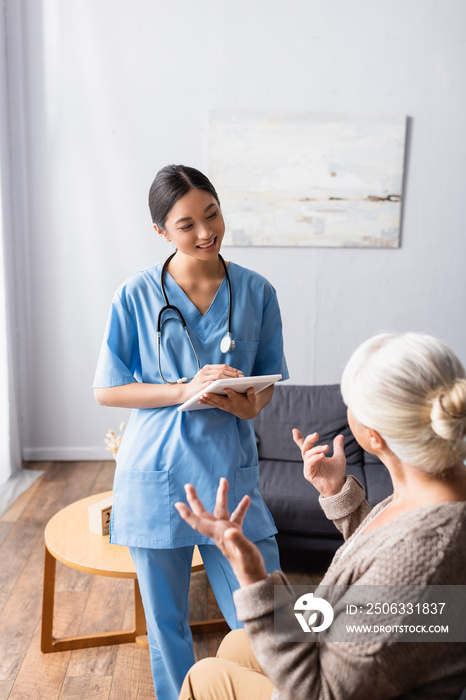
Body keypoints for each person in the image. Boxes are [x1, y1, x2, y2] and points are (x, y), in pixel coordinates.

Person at [176, 332, 466, 700]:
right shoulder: (435, 493)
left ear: (373, 437)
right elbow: (390, 569)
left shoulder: (426, 557)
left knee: (206, 677)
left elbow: (321, 692)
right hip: (356, 641)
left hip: (329, 683)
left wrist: (253, 577)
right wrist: (337, 493)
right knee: (237, 642)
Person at [93, 164, 288, 700]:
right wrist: (183, 390)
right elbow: (108, 390)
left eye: (213, 214)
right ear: (161, 232)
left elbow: (269, 379)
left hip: (230, 474)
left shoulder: (256, 291)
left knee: (271, 619)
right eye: (186, 225)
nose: (206, 232)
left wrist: (252, 408)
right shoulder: (134, 295)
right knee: (167, 629)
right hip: (156, 475)